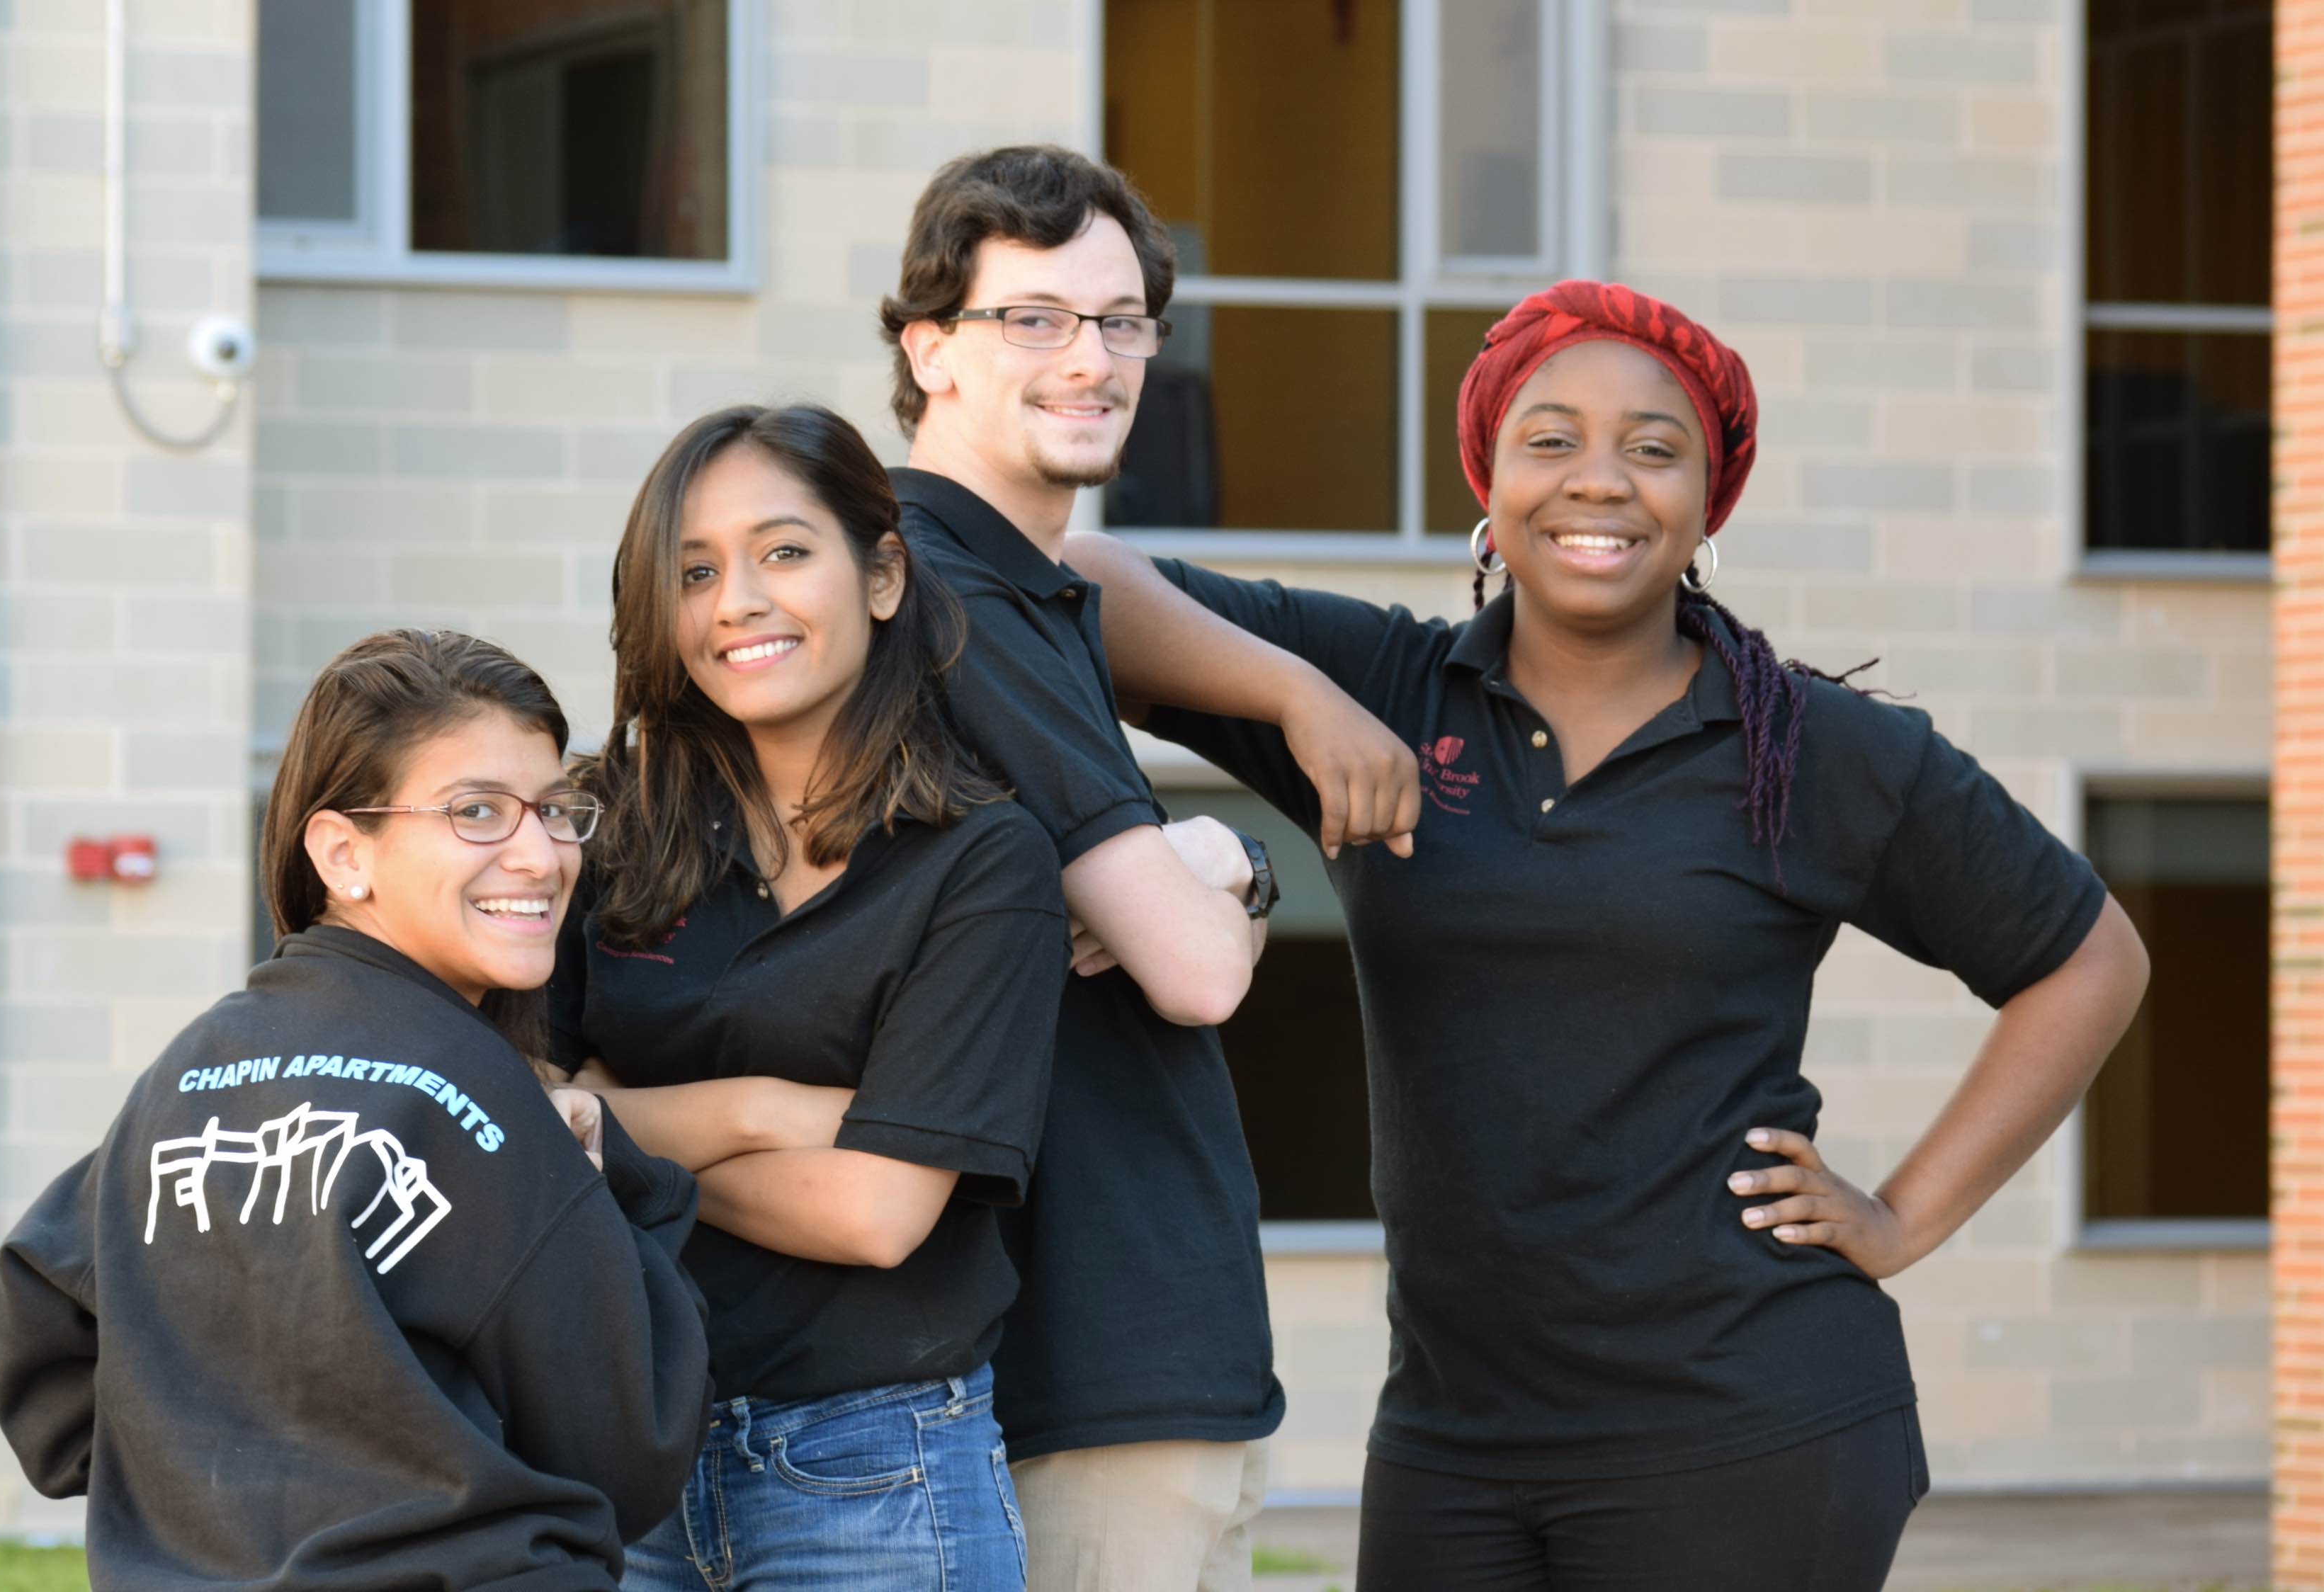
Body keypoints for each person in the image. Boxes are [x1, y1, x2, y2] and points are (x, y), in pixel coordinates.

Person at [1061, 278, 2153, 1591]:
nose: (1602, 481)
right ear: (1488, 479)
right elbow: (1075, 580)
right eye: (1552, 438)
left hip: (1749, 1428)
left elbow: (2089, 957)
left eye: (1655, 449)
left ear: (1707, 502)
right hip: (1453, 1438)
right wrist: (1300, 699)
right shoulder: (1391, 688)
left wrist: (1903, 1217)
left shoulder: (1807, 749)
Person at [878, 144, 1359, 1592]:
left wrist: (1217, 846)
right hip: (1072, 1364)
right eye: (1033, 318)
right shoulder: (932, 587)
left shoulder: (1039, 593)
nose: (1091, 358)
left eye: (1122, 321)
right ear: (928, 349)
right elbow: (1196, 966)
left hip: (1172, 1360)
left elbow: (1179, 913)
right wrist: (1204, 863)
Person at [0, 629, 714, 1592]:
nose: (541, 856)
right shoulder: (476, 1099)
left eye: (553, 810)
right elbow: (635, 1442)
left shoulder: (193, 1068)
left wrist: (206, 1499)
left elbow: (45, 1341)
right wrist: (620, 1191)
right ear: (342, 852)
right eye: (478, 812)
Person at [547, 403, 1070, 1591]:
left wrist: (613, 1121)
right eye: (694, 570)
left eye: (784, 551)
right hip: (627, 1459)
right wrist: (766, 1110)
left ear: (882, 574)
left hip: (879, 1473)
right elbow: (517, 1101)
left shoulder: (982, 860)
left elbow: (875, 1215)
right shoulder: (605, 830)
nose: (737, 600)